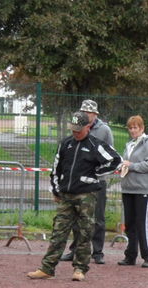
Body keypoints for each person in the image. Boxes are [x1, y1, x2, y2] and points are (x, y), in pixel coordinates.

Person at [27, 111, 122, 281]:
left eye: (79, 130)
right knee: (58, 232)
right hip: (66, 195)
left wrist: (97, 172)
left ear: (88, 127)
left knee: (84, 233)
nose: (75, 133)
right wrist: (56, 190)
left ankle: (80, 268)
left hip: (86, 196)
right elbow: (56, 169)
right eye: (73, 129)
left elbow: (116, 160)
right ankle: (47, 268)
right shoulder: (65, 144)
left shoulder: (95, 144)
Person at [60, 99, 116, 265]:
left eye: (89, 113)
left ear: (95, 114)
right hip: (79, 182)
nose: (86, 115)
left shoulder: (104, 130)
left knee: (97, 217)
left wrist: (98, 171)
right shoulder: (78, 126)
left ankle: (97, 252)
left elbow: (110, 154)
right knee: (77, 217)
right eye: (83, 112)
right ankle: (74, 250)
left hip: (97, 182)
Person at [117, 115, 148, 268]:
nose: (133, 130)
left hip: (143, 189)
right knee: (130, 224)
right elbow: (126, 162)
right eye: (130, 128)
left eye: (136, 127)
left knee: (143, 224)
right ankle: (130, 255)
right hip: (128, 188)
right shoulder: (129, 145)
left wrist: (132, 165)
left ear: (142, 128)